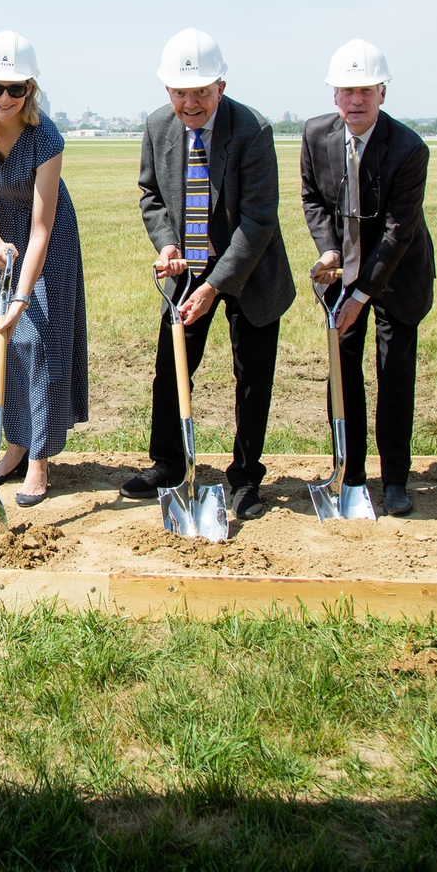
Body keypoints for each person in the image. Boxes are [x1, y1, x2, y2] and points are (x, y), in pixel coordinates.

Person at [123, 28, 294, 519]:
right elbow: (151, 195)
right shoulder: (158, 126)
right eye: (181, 93)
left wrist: (217, 285)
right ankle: (169, 464)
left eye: (201, 91)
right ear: (167, 91)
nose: (191, 103)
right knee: (171, 371)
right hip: (186, 269)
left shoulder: (253, 130)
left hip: (249, 269)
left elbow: (259, 219)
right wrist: (167, 243)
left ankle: (244, 477)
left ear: (221, 86)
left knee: (252, 377)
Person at [300, 39, 436, 517]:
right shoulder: (316, 135)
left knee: (394, 374)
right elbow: (313, 199)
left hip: (397, 275)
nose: (355, 100)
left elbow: (399, 233)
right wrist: (329, 249)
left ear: (382, 93)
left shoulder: (408, 149)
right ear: (334, 96)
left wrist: (360, 292)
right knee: (343, 373)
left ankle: (395, 479)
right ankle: (351, 472)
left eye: (365, 91)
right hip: (344, 268)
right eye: (346, 91)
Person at [0, 31, 89, 506]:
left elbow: (41, 227)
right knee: (4, 343)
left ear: (31, 89)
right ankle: (12, 446)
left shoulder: (46, 138)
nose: (5, 98)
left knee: (39, 340)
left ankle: (38, 459)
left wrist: (20, 298)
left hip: (45, 239)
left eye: (16, 89)